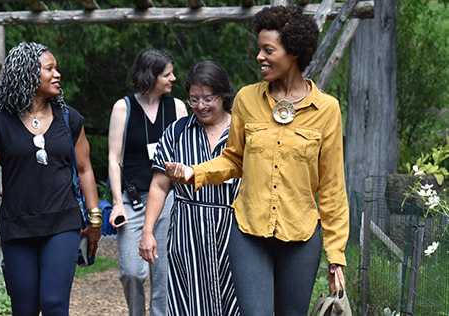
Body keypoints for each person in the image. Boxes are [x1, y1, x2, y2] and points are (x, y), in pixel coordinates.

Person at [164, 6, 349, 315]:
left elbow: (331, 186)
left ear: (293, 52)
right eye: (259, 49)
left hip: (301, 236)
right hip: (248, 233)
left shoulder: (327, 109)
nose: (259, 57)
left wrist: (336, 255)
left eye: (268, 50)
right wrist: (194, 172)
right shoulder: (247, 99)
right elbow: (234, 159)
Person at [0, 42, 102, 316]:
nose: (57, 74)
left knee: (53, 304)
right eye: (49, 69)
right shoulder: (0, 123)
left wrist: (95, 219)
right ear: (28, 73)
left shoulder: (69, 119)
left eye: (56, 68)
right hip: (17, 225)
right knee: (24, 308)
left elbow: (85, 169)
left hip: (62, 222)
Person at [139, 61, 242, 315]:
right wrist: (148, 231)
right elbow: (160, 186)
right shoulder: (177, 132)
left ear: (223, 95)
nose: (200, 106)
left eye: (208, 99)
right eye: (194, 100)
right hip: (188, 233)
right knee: (188, 304)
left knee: (236, 303)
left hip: (234, 231)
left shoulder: (242, 132)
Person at [107, 48, 188, 316]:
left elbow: (186, 155)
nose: (173, 78)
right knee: (132, 271)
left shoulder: (177, 107)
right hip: (131, 200)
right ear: (150, 76)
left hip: (167, 200)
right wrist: (117, 203)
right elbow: (114, 159)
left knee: (163, 273)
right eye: (167, 74)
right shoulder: (123, 107)